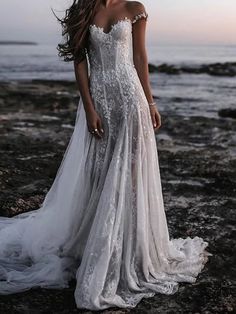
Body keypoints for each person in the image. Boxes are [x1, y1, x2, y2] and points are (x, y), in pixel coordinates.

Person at [0, 0, 212, 311]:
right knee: (98, 172)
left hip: (130, 101)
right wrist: (88, 108)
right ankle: (93, 243)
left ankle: (131, 247)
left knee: (133, 173)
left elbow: (140, 58)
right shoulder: (83, 11)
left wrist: (151, 103)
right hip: (100, 102)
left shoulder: (134, 8)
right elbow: (80, 62)